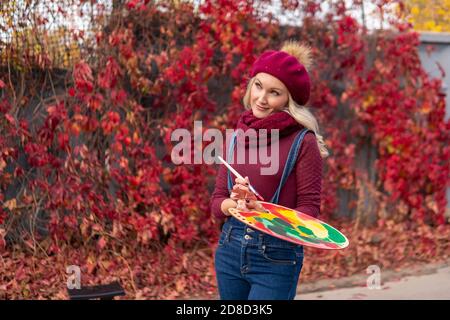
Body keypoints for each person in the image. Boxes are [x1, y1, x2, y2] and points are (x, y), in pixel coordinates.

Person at [210, 40, 329, 300]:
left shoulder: (303, 142)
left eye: (274, 92)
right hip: (230, 248)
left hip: (275, 257)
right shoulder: (235, 136)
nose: (261, 99)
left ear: (289, 99)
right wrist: (236, 204)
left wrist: (266, 213)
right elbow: (216, 203)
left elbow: (309, 211)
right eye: (258, 86)